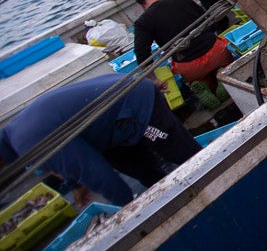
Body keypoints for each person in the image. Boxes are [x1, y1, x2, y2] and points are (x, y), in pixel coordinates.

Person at [0, 75, 201, 207]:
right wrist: (75, 184)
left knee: (193, 158)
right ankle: (187, 204)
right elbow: (70, 157)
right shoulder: (17, 134)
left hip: (134, 102)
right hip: (110, 130)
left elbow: (95, 173)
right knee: (148, 175)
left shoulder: (27, 141)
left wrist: (130, 212)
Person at [133, 0, 233, 108]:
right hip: (215, 52)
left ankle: (201, 84)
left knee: (199, 80)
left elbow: (142, 54)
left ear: (141, 5)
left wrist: (154, 80)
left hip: (189, 66)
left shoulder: (142, 22)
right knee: (225, 63)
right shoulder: (183, 0)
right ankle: (224, 76)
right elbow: (209, 22)